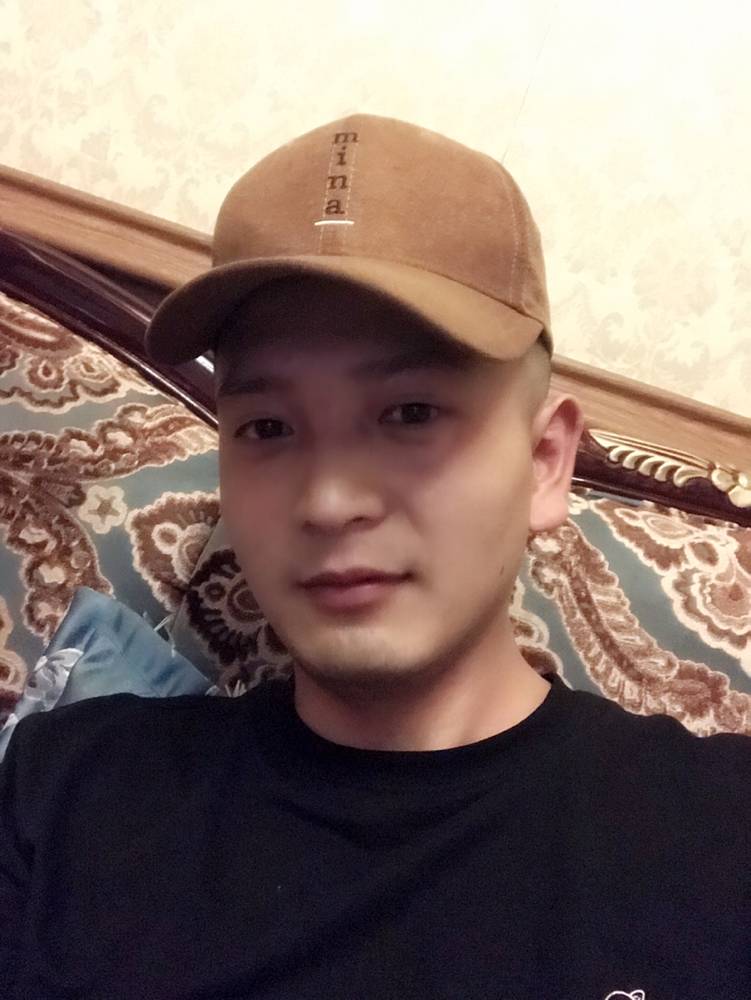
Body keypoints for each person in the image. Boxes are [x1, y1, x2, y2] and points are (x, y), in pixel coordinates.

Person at [1, 113, 749, 1000]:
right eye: (267, 427)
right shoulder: (66, 791)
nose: (327, 502)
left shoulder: (719, 836)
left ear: (545, 463)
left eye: (410, 414)